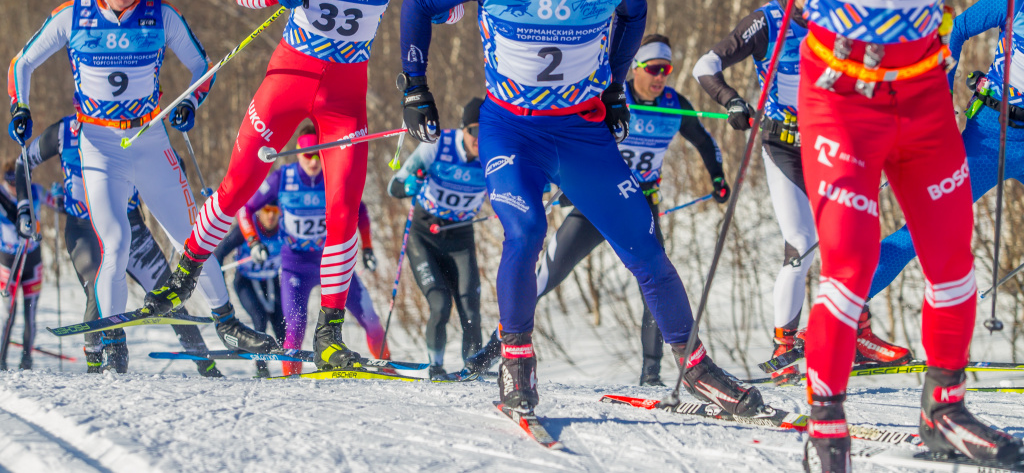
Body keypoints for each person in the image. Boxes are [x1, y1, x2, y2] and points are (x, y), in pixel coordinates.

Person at [399, 0, 764, 416]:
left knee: (643, 242)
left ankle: (695, 367)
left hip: (580, 130)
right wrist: (415, 85)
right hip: (512, 130)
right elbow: (419, 0)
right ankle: (516, 358)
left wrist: (615, 87)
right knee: (526, 231)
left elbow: (634, 15)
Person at [719, 0, 1024, 467]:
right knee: (850, 265)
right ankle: (825, 418)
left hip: (921, 96)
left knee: (953, 263)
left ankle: (943, 408)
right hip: (842, 97)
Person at [146, 0, 439, 371]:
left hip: (346, 93)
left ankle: (329, 332)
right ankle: (179, 279)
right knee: (236, 187)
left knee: (343, 210)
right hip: (289, 77)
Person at [6, 0, 272, 354]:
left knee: (193, 236)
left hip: (149, 138)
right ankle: (111, 337)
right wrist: (19, 108)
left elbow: (202, 66)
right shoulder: (72, 17)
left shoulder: (160, 15)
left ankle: (226, 321)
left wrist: (191, 101)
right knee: (116, 243)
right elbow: (23, 62)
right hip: (98, 142)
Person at [693, 0, 909, 385]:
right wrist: (732, 100)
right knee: (802, 241)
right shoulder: (768, 20)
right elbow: (705, 64)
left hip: (832, 144)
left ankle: (860, 333)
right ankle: (786, 343)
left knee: (850, 238)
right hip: (784, 146)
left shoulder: (846, 23)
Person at [466, 35, 730, 386]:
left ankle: (651, 374)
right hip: (593, 203)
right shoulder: (610, 97)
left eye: (666, 70)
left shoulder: (673, 103)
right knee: (545, 276)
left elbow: (703, 139)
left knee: (653, 278)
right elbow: (568, 143)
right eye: (653, 68)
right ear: (634, 68)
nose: (660, 77)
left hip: (640, 203)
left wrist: (717, 176)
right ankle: (492, 353)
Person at [16, 116, 222, 376]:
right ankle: (101, 364)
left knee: (168, 295)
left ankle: (208, 367)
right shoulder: (64, 131)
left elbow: (165, 160)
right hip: (85, 228)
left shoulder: (133, 124)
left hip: (131, 225)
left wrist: (175, 168)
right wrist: (25, 210)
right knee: (97, 289)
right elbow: (23, 160)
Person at [868, 0, 1024, 311]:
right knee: (922, 230)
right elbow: (958, 28)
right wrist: (941, 97)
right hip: (989, 136)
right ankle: (841, 313)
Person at [237, 127, 389, 375]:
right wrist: (253, 241)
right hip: (295, 265)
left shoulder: (333, 177)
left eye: (318, 155)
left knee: (370, 319)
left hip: (332, 261)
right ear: (298, 153)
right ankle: (291, 377)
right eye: (308, 155)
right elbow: (245, 209)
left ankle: (389, 368)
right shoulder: (282, 178)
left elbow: (360, 211)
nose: (314, 162)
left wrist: (369, 246)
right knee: (295, 327)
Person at [387, 97, 486, 378]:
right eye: (474, 132)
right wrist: (410, 184)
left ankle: (474, 366)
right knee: (440, 305)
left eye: (486, 132)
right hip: (424, 235)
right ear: (463, 129)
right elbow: (393, 186)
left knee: (470, 308)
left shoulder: (495, 153)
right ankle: (436, 366)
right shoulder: (437, 145)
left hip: (460, 235)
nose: (480, 140)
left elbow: (532, 183)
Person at [214, 204, 286, 378]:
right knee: (259, 318)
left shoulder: (285, 229)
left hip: (270, 280)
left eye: (275, 212)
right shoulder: (246, 230)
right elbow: (219, 253)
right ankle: (261, 367)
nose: (271, 216)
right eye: (267, 211)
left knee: (281, 321)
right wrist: (219, 285)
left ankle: (289, 364)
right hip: (245, 282)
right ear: (259, 212)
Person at [0, 161, 41, 371]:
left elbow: (59, 203)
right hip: (9, 260)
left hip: (32, 259)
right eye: (10, 182)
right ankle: (1, 360)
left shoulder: (35, 191)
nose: (14, 188)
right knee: (8, 313)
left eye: (18, 182)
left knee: (30, 313)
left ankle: (27, 360)